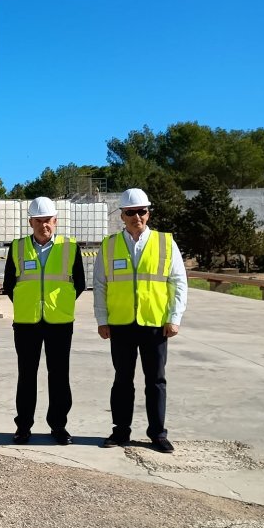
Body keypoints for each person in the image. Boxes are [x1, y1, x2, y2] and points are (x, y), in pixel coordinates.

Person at [95, 188, 187, 454]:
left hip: (155, 323)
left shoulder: (165, 243)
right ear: (121, 216)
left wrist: (174, 317)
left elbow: (178, 282)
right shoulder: (109, 245)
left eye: (142, 211)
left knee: (156, 380)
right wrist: (102, 319)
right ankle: (121, 430)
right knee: (122, 379)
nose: (137, 217)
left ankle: (157, 433)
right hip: (121, 323)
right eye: (131, 212)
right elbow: (100, 284)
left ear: (148, 213)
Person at [3, 197, 86, 445]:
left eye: (48, 220)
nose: (43, 225)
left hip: (59, 322)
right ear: (30, 222)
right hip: (27, 322)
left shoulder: (70, 248)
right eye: (38, 221)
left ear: (56, 221)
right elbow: (9, 285)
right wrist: (28, 303)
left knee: (59, 375)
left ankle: (59, 426)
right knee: (26, 376)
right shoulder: (17, 248)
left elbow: (79, 284)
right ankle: (24, 426)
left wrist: (58, 304)